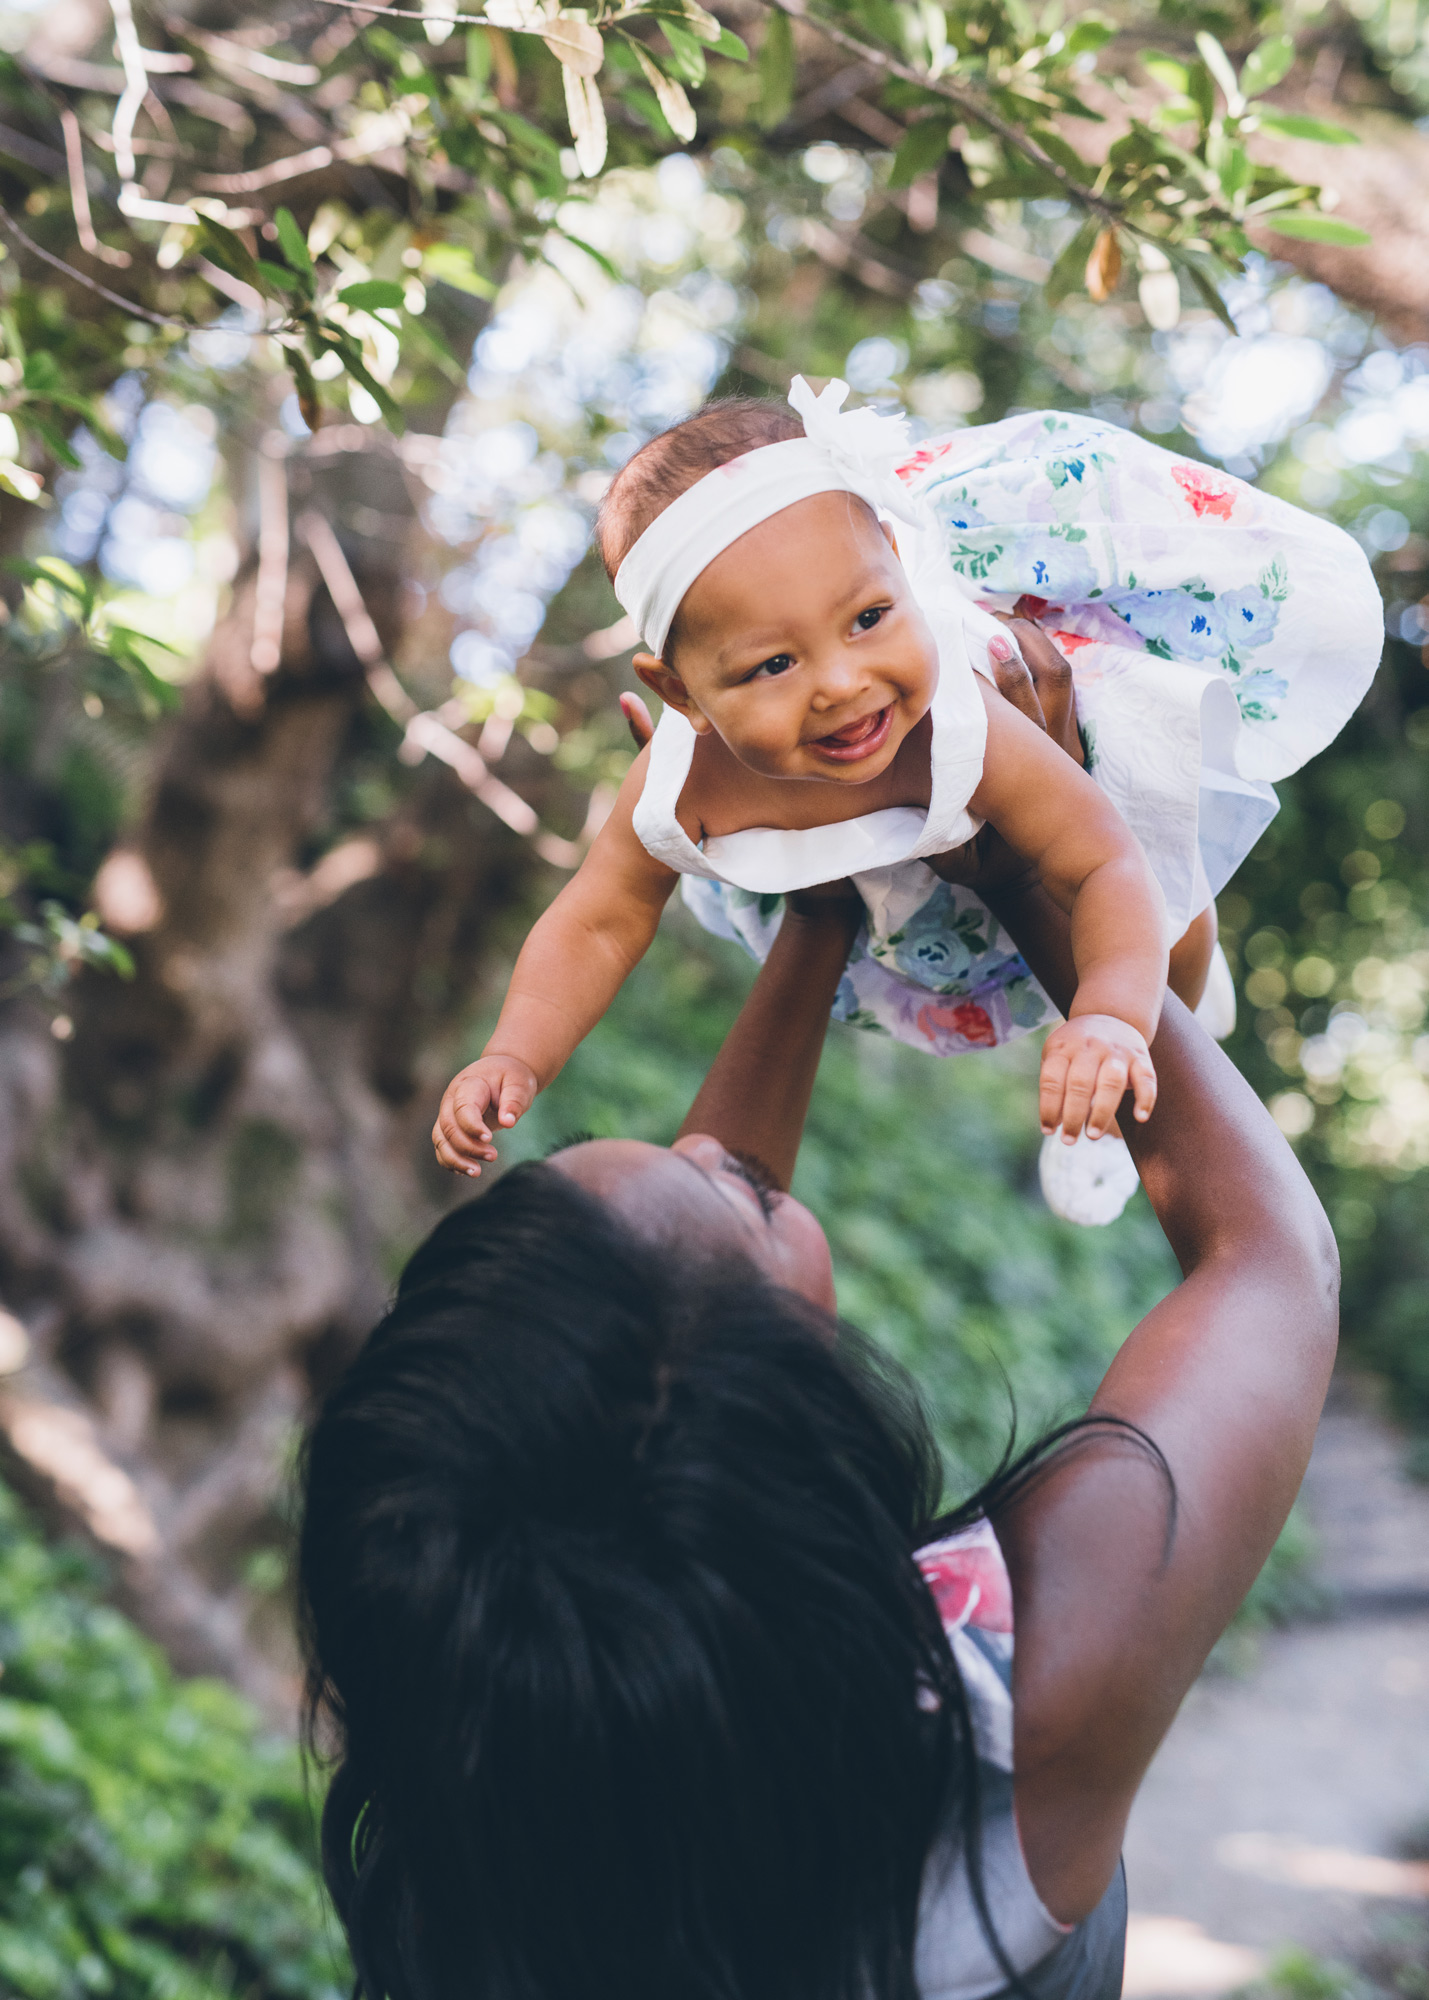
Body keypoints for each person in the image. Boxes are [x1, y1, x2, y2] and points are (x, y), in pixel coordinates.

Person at [300, 635, 1340, 2000]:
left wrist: (824, 901)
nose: (709, 1149)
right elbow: (1270, 1264)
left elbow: (694, 1302)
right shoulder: (1016, 1701)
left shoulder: (473, 1713)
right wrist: (1020, 843)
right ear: (784, 1407)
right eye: (723, 1187)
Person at [432, 378, 1380, 1224]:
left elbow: (1101, 862)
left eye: (869, 617)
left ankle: (1126, 1069)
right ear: (680, 693)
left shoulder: (961, 717)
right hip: (905, 891)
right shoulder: (682, 782)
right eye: (771, 663)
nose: (844, 684)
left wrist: (1107, 1016)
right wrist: (515, 1053)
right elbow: (599, 919)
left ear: (896, 566)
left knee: (1166, 916)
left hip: (1071, 788)